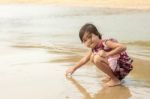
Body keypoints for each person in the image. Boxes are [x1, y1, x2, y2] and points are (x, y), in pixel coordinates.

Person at [66, 23, 133, 87]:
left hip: (122, 67)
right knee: (92, 57)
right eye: (85, 40)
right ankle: (112, 76)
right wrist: (73, 68)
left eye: (90, 37)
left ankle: (115, 80)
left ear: (97, 34)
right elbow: (85, 59)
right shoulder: (94, 49)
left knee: (97, 58)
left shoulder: (105, 43)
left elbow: (123, 47)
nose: (89, 41)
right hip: (117, 68)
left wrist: (107, 54)